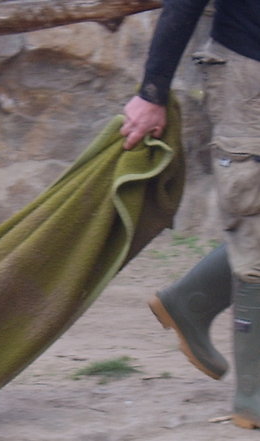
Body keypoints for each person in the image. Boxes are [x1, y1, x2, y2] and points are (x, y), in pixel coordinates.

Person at [119, 0, 260, 429]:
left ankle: (190, 302)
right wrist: (153, 90)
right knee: (255, 219)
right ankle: (252, 397)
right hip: (248, 72)